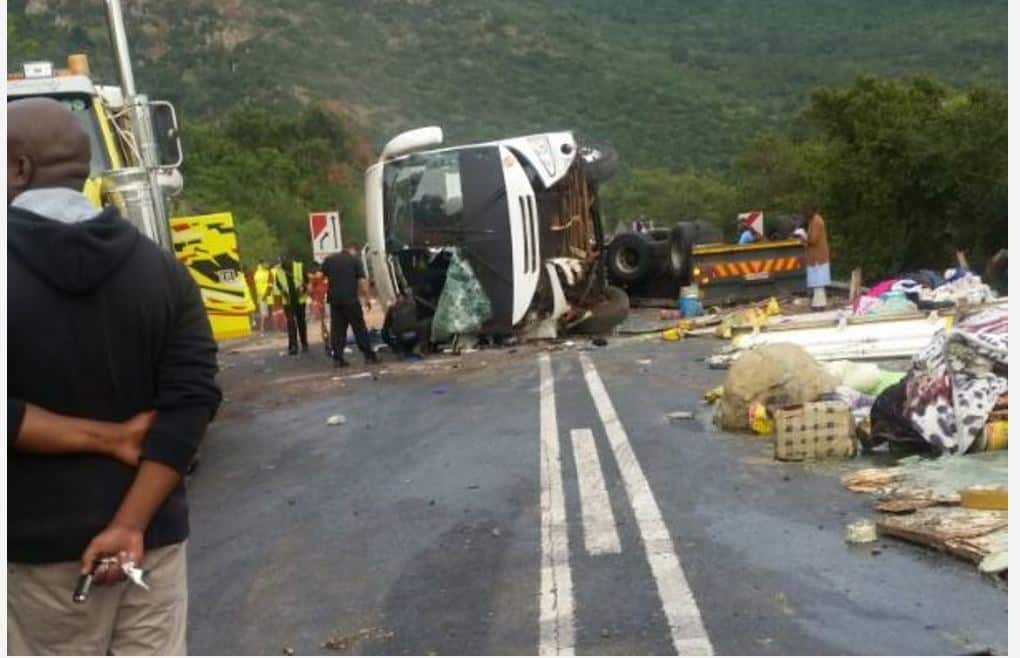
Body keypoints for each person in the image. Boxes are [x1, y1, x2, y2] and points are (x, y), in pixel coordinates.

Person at [7, 97, 222, 655]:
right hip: (148, 547)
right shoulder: (164, 272)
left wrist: (99, 438)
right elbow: (192, 402)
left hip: (38, 556)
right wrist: (130, 524)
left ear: (20, 167)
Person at [321, 242, 378, 367]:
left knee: (338, 329)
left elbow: (322, 277)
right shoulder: (354, 261)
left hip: (335, 300)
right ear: (353, 249)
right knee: (359, 328)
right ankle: (368, 355)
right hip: (350, 300)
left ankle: (338, 357)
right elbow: (362, 281)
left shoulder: (330, 260)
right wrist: (367, 298)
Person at [273, 251, 309, 354]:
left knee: (301, 322)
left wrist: (303, 289)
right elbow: (278, 285)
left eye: (286, 261)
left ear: (291, 259)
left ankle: (304, 344)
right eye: (283, 262)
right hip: (288, 301)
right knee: (291, 323)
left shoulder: (299, 267)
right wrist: (283, 294)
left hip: (300, 299)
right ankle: (293, 346)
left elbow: (306, 280)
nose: (284, 263)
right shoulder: (279, 271)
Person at [804, 207, 831, 310]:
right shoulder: (814, 220)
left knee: (818, 282)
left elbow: (813, 240)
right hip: (817, 256)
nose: (805, 215)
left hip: (818, 257)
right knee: (818, 283)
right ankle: (818, 304)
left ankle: (819, 305)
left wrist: (804, 239)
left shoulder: (816, 221)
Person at [253, 260, 272, 333]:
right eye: (265, 263)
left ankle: (265, 328)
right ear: (261, 264)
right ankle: (262, 329)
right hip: (263, 295)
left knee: (265, 312)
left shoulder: (258, 273)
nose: (267, 264)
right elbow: (269, 284)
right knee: (264, 313)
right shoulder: (262, 273)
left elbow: (269, 284)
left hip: (264, 295)